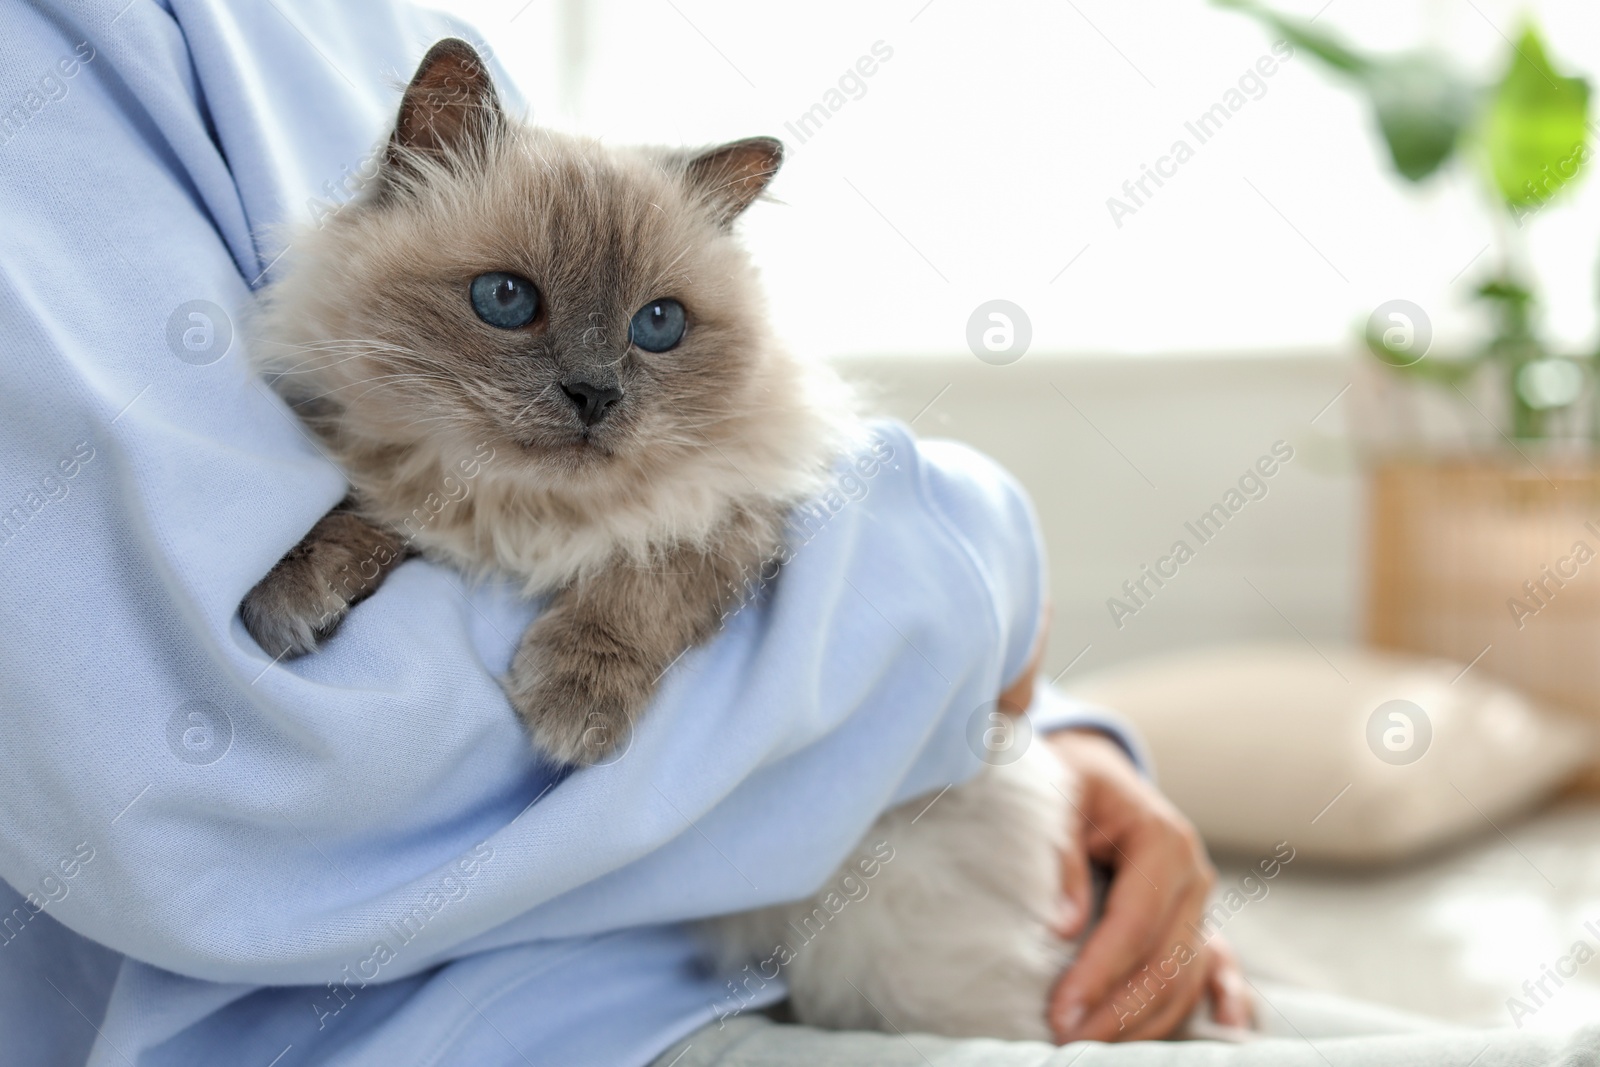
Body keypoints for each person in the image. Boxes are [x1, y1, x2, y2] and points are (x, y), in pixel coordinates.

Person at [0, 3, 1594, 1065]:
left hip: (784, 890)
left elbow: (772, 517)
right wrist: (972, 595)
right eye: (510, 312)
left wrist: (1024, 714)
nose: (586, 388)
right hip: (486, 1012)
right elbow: (220, 751)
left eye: (654, 339)